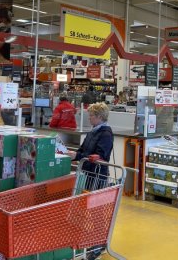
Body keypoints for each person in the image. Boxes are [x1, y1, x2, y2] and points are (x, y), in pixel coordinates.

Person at [67, 102, 114, 260]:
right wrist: (74, 154)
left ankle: (99, 244)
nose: (89, 118)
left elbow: (101, 155)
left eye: (91, 116)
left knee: (97, 211)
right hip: (87, 174)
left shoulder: (106, 134)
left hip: (98, 176)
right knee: (87, 208)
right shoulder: (93, 131)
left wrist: (79, 156)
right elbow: (83, 150)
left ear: (100, 117)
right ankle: (93, 240)